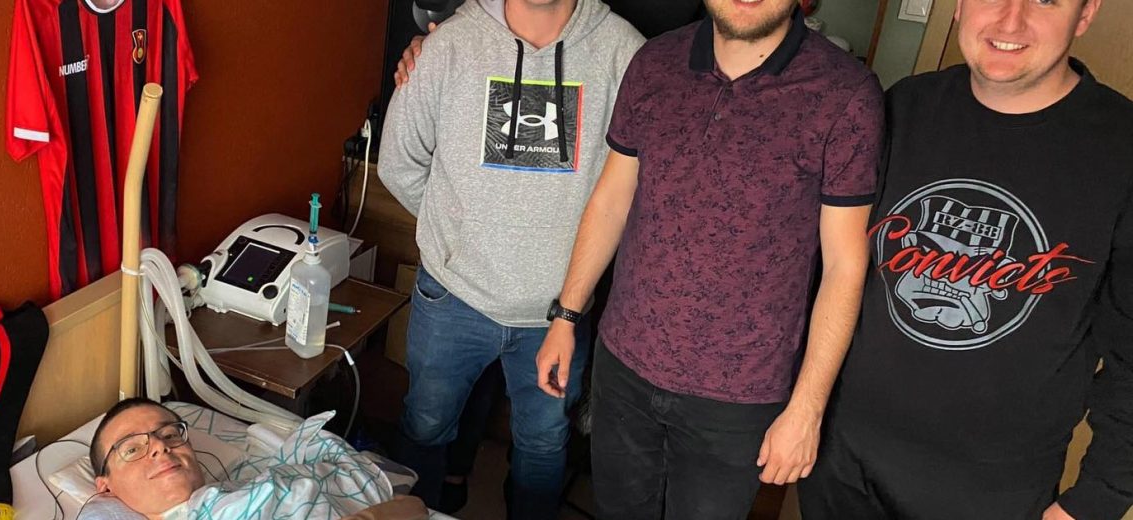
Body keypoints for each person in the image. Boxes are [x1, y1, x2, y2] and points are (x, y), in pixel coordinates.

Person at [534, 0, 884, 517]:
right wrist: (566, 315)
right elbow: (612, 199)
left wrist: (807, 409)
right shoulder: (654, 61)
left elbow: (844, 266)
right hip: (624, 366)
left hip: (740, 397)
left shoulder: (845, 93)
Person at [800, 1, 1133, 518]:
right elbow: (832, 266)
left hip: (990, 492)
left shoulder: (1121, 149)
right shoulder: (903, 106)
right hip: (843, 464)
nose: (1010, 20)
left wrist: (1095, 501)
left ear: (1085, 14)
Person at [376, 0, 645, 517]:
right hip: (452, 295)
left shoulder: (625, 53)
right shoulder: (449, 45)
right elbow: (398, 161)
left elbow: (637, 186)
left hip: (560, 313)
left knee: (544, 444)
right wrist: (458, 231)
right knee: (425, 425)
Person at [88, 398, 427, 519]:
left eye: (169, 434)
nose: (160, 447)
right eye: (133, 449)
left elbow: (415, 508)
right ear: (105, 486)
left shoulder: (252, 484)